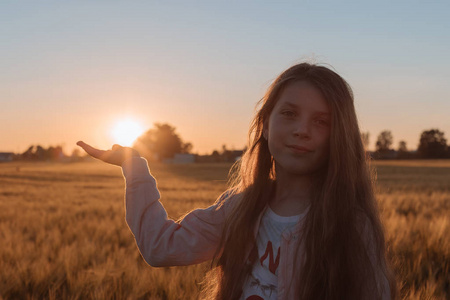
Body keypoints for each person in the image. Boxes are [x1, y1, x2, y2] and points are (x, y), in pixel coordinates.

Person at [77, 62, 397, 300]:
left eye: (321, 121)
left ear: (339, 136)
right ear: (266, 125)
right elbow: (161, 248)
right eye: (289, 113)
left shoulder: (349, 224)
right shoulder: (240, 207)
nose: (302, 129)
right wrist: (133, 166)